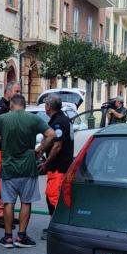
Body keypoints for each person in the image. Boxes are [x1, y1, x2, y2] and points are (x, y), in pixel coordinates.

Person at [0, 93, 55, 248]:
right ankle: (21, 237)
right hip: (28, 168)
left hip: (9, 168)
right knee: (26, 202)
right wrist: (40, 149)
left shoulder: (4, 118)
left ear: (12, 105)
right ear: (24, 105)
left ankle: (7, 238)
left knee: (8, 203)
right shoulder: (33, 119)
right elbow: (51, 134)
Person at [37, 95, 74, 239]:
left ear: (49, 107)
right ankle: (56, 226)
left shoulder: (58, 122)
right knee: (54, 197)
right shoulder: (63, 119)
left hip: (59, 166)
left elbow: (57, 145)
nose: (45, 107)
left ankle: (57, 230)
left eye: (46, 104)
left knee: (54, 197)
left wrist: (47, 162)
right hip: (63, 165)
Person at [0, 81, 21, 227]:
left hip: (8, 151)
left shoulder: (10, 107)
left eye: (20, 91)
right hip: (0, 151)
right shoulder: (1, 107)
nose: (19, 94)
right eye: (17, 91)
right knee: (1, 184)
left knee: (9, 183)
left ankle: (8, 214)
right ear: (8, 91)